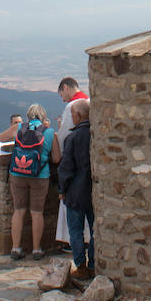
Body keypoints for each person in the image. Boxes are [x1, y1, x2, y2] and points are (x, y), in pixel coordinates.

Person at [0, 104, 60, 261]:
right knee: (37, 212)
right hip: (40, 176)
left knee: (18, 211)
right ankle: (36, 249)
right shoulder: (49, 133)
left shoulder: (19, 127)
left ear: (28, 117)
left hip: (18, 173)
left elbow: (0, 138)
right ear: (43, 117)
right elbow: (56, 158)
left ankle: (16, 248)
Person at [57, 99, 93, 278]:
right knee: (95, 230)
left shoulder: (73, 138)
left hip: (75, 192)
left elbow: (66, 167)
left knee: (76, 231)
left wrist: (62, 189)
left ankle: (81, 267)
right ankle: (94, 264)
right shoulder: (96, 134)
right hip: (93, 191)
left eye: (72, 115)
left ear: (77, 116)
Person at [53, 77, 89, 248]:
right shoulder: (89, 100)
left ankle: (73, 246)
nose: (63, 98)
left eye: (62, 94)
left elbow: (64, 136)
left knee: (73, 221)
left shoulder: (71, 107)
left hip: (73, 168)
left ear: (66, 87)